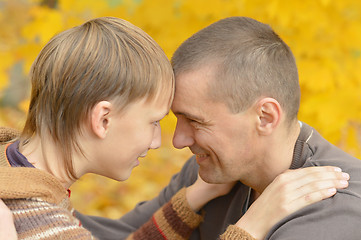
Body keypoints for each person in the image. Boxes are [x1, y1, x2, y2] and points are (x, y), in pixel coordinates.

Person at [0, 16, 349, 240]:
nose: (165, 141)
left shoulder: (13, 170)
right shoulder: (36, 219)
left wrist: (192, 199)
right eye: (155, 122)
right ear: (102, 119)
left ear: (266, 117)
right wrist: (250, 228)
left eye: (193, 121)